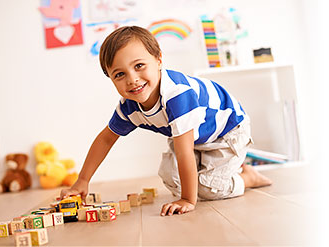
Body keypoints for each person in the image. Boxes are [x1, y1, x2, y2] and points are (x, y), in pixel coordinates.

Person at [60, 26, 272, 216]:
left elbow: (183, 152)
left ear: (159, 59)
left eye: (139, 66)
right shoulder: (129, 106)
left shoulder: (177, 95)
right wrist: (82, 181)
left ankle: (248, 178)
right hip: (193, 136)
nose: (132, 79)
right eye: (119, 74)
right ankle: (213, 174)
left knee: (207, 190)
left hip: (227, 131)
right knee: (173, 179)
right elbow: (106, 139)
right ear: (110, 78)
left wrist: (188, 200)